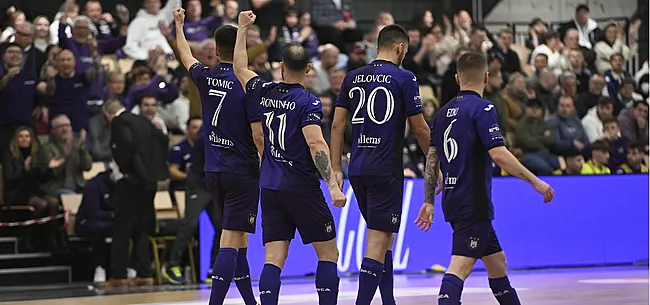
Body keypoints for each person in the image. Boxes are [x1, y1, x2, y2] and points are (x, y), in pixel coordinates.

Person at [418, 52, 555, 305]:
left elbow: (432, 160)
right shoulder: (484, 108)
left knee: (497, 263)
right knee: (460, 267)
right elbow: (499, 154)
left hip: (453, 199)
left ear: (458, 79)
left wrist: (428, 201)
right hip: (474, 201)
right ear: (487, 77)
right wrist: (535, 181)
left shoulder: (442, 113)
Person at [233, 10, 346, 305]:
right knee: (328, 253)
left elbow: (239, 68)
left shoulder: (264, 91)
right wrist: (333, 185)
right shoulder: (308, 102)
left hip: (270, 185)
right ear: (309, 68)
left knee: (274, 256)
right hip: (301, 187)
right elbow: (316, 144)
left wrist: (243, 29)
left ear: (281, 66)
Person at [329, 24, 432, 305]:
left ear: (378, 47)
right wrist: (436, 159)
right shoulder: (405, 78)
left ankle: (389, 301)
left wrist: (336, 168)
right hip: (385, 170)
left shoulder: (352, 77)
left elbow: (337, 125)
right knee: (377, 244)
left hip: (358, 170)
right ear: (400, 48)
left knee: (383, 240)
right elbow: (421, 129)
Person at [172, 8, 262, 305]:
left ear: (216, 49)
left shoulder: (205, 75)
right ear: (241, 47)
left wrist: (179, 26)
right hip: (242, 169)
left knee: (239, 240)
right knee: (230, 239)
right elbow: (259, 134)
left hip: (213, 170)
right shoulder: (248, 84)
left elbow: (185, 56)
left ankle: (250, 301)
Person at [101, 99, 169, 287]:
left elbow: (124, 148)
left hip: (132, 182)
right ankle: (144, 272)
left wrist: (129, 172)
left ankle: (119, 274)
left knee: (122, 227)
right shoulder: (143, 120)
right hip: (150, 182)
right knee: (142, 227)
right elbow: (163, 140)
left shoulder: (119, 122)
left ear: (108, 114)